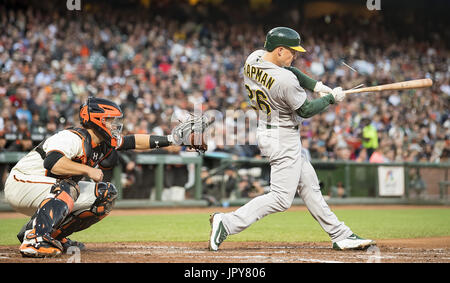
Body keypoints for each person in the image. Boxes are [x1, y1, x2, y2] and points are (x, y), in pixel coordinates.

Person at [208, 27, 375, 251]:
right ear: (279, 50)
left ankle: (340, 234)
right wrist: (331, 99)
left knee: (309, 186)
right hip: (282, 136)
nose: (294, 55)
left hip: (270, 130)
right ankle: (227, 223)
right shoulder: (284, 80)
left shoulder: (254, 58)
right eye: (291, 51)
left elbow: (291, 70)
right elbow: (305, 110)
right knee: (280, 199)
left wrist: (317, 86)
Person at [4, 97, 203, 258]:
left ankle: (50, 234)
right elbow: (53, 163)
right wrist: (88, 171)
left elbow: (134, 141)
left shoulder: (104, 141)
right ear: (97, 120)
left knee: (106, 194)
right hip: (22, 182)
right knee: (69, 187)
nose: (116, 125)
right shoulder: (72, 137)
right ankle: (35, 240)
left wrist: (172, 139)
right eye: (111, 120)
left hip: (46, 189)